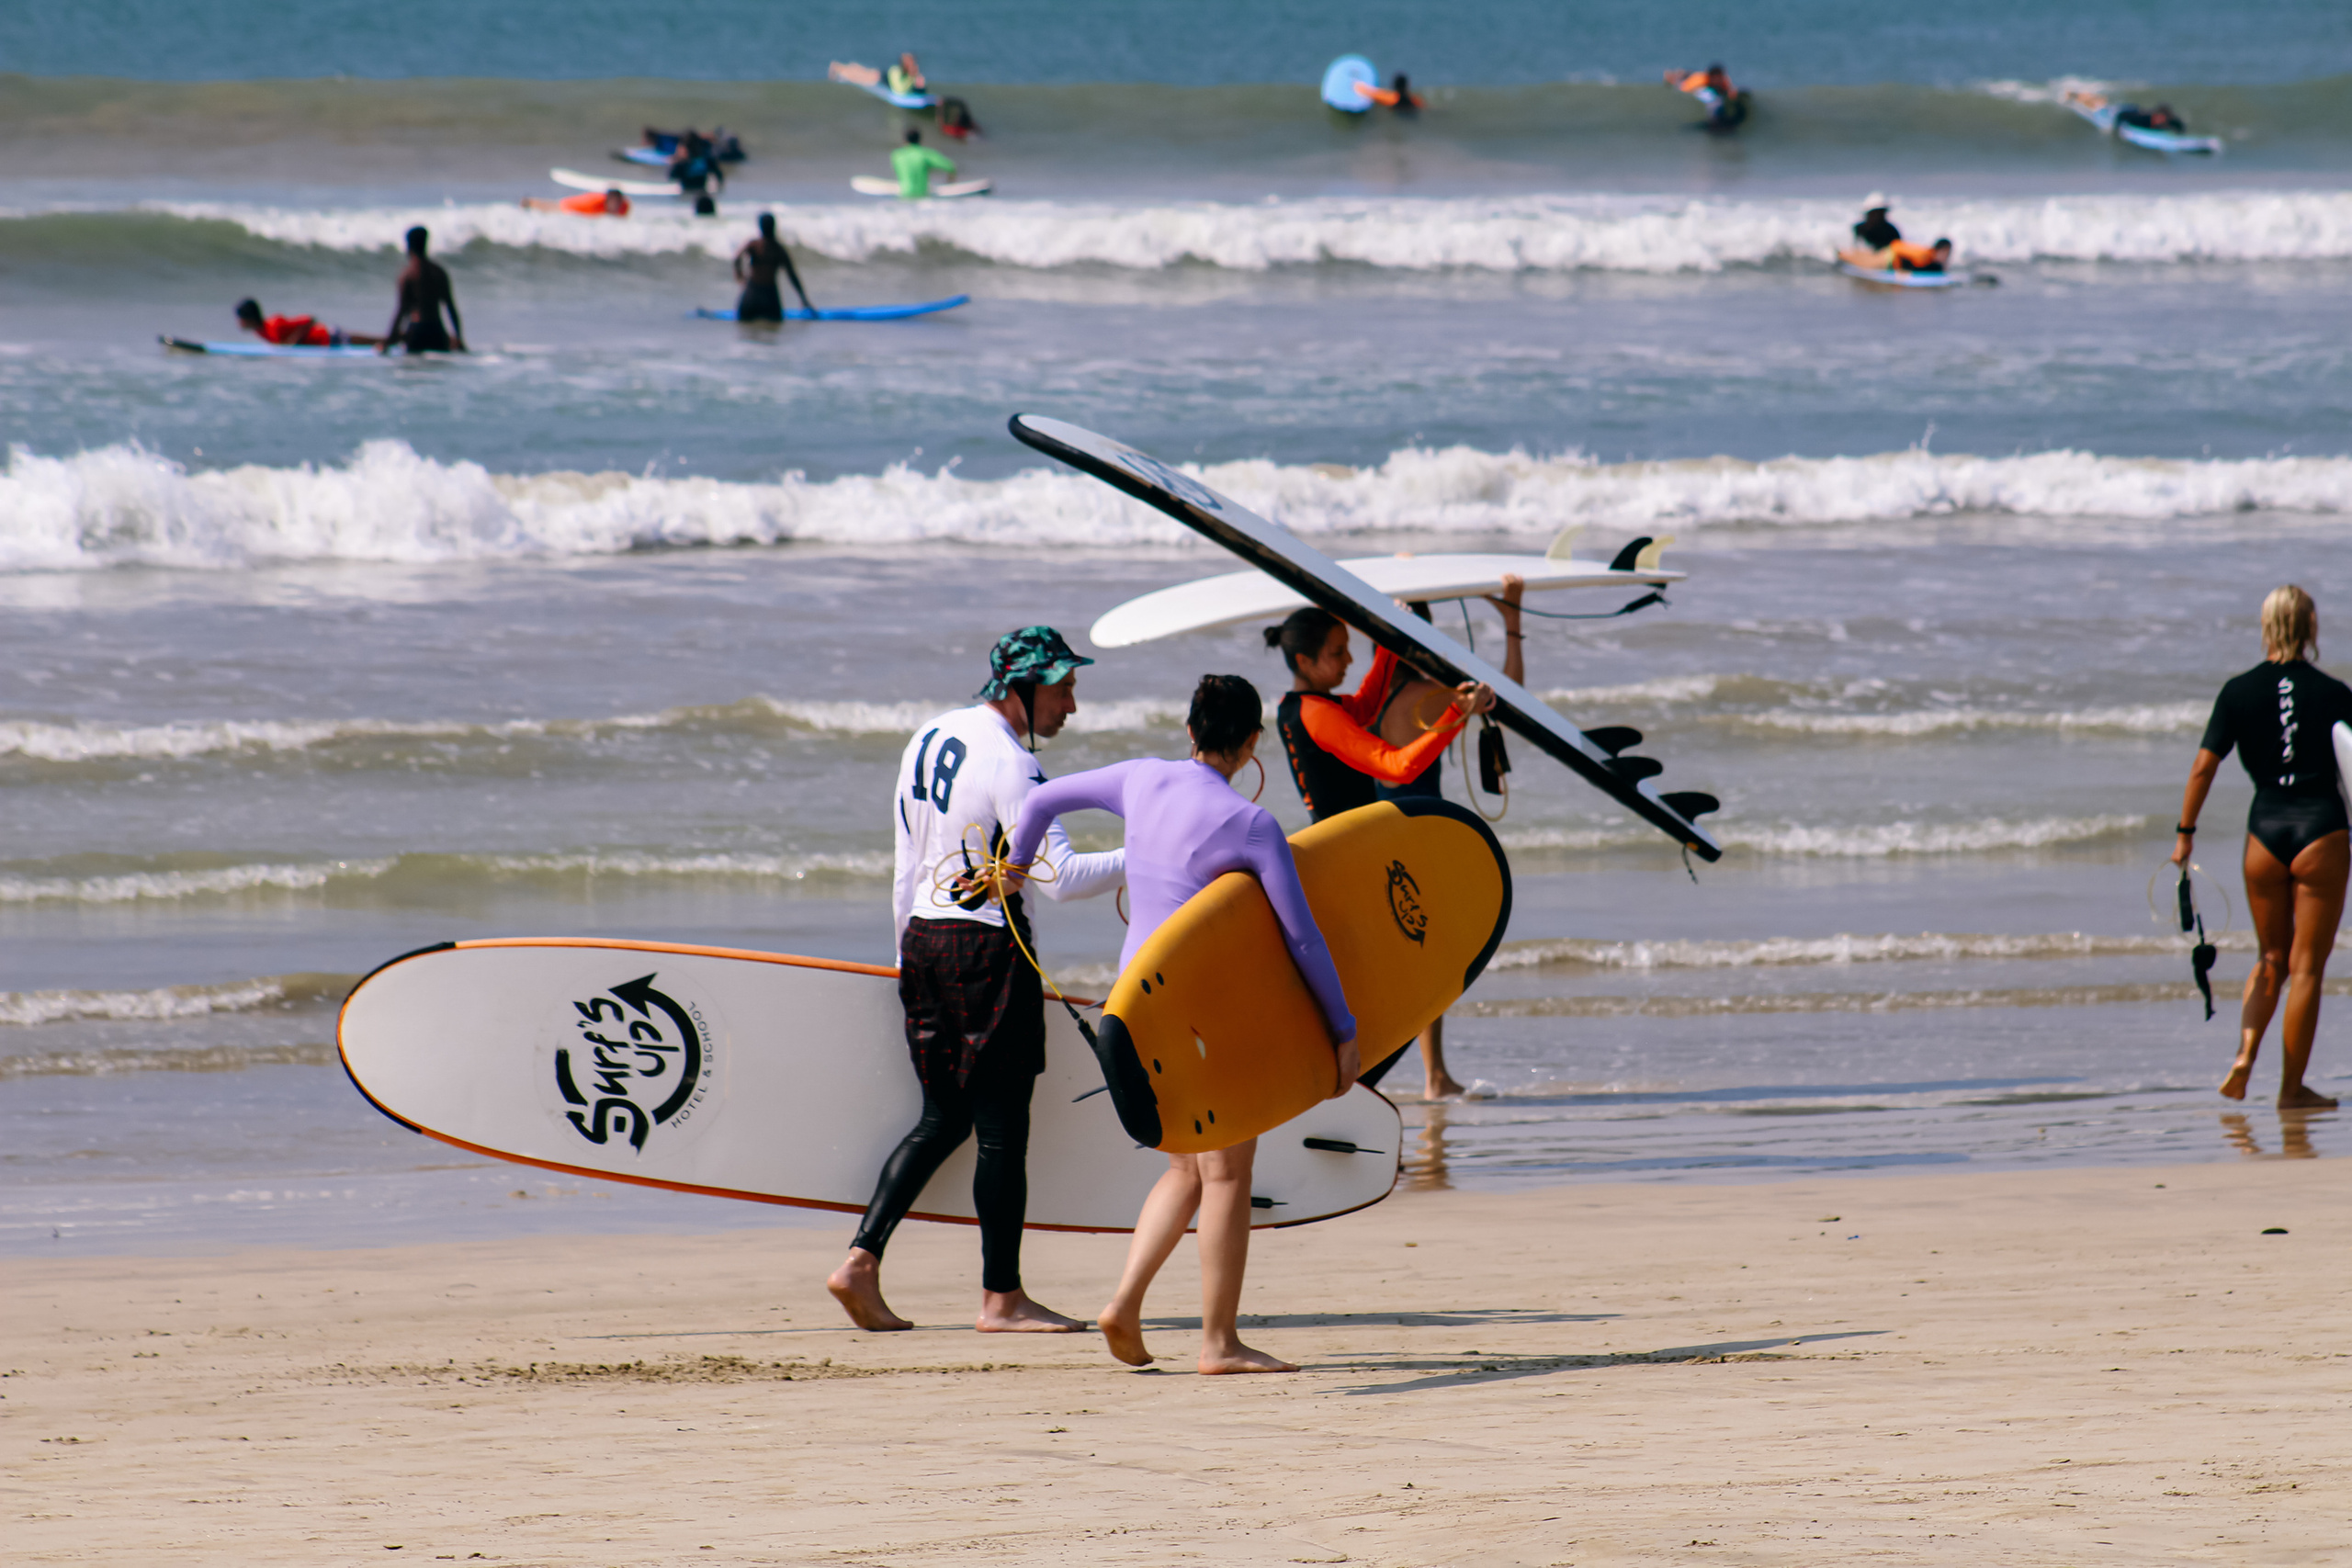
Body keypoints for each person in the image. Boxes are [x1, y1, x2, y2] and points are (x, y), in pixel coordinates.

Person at [1006, 674, 1358, 1374]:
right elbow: (1303, 938)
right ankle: (1219, 1343)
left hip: (1135, 1004)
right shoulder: (1253, 825)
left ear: (1189, 729)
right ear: (1252, 742)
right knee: (1228, 1171)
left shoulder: (1141, 779)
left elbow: (1042, 797)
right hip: (1206, 1016)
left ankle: (1126, 1303)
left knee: (1186, 1167)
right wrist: (1344, 1029)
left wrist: (1015, 867)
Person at [826, 627, 1125, 1333]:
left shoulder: (930, 735)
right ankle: (1002, 1299)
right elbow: (1060, 880)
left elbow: (905, 857)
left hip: (927, 941)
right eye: (1063, 688)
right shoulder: (1013, 762)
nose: (1071, 706)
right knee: (1000, 1132)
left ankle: (860, 1262)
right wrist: (1145, 852)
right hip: (986, 953)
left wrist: (906, 954)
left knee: (944, 1116)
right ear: (1022, 687)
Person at [1264, 607, 1494, 1091]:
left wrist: (1390, 638)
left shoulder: (1302, 704)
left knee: (1382, 979)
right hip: (1346, 864)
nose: (1348, 660)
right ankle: (1353, 1086)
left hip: (1340, 856)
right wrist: (1458, 714)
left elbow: (1366, 706)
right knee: (1391, 979)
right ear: (1306, 661)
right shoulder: (1319, 715)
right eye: (1337, 653)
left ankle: (1361, 1084)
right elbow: (1395, 768)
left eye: (1350, 648)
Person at [2174, 586, 2347, 1111]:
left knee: (2270, 956)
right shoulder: (2336, 692)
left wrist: (2185, 832)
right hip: (2322, 831)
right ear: (2311, 625)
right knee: (2307, 968)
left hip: (2264, 834)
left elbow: (2204, 766)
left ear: (2266, 625)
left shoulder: (2237, 692)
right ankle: (2292, 1090)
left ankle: (2246, 1053)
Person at [1367, 577, 1525, 1098]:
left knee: (1405, 959)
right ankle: (1431, 1077)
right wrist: (1511, 619)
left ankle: (1425, 1074)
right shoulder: (1430, 699)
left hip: (1373, 839)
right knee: (1429, 959)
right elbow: (1512, 699)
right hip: (1419, 838)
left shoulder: (1363, 704)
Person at [380, 227, 464, 355]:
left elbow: (402, 311)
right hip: (437, 331)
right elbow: (451, 308)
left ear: (409, 246)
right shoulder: (439, 272)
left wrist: (388, 341)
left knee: (415, 373)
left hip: (417, 332)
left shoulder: (407, 274)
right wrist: (459, 339)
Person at [733, 212, 812, 321]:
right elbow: (792, 275)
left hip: (752, 294)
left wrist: (740, 277)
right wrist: (803, 299)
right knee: (776, 327)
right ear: (774, 227)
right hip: (769, 297)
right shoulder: (779, 250)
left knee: (744, 326)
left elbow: (737, 259)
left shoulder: (754, 245)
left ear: (760, 227)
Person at [233, 299, 381, 348]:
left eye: (240, 318)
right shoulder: (259, 331)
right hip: (325, 342)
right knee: (374, 342)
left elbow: (310, 319)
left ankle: (399, 338)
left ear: (249, 319)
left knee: (375, 341)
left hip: (329, 337)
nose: (238, 322)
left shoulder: (274, 325)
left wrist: (293, 341)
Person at [1665, 62, 1745, 128]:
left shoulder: (1724, 80)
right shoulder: (1700, 80)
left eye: (1719, 78)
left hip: (1704, 81)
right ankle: (1676, 74)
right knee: (1680, 79)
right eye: (1715, 79)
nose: (1717, 81)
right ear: (1710, 77)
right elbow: (1682, 88)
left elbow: (1731, 90)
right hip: (1689, 79)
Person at [891, 129, 957, 199]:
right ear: (920, 140)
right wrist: (951, 178)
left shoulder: (896, 155)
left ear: (905, 141)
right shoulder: (925, 154)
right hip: (922, 198)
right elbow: (950, 166)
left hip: (903, 196)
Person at [520, 188, 630, 217]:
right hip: (571, 205)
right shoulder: (593, 205)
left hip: (582, 200)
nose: (616, 206)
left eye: (618, 203)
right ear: (608, 200)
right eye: (614, 203)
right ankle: (529, 202)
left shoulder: (623, 205)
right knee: (553, 208)